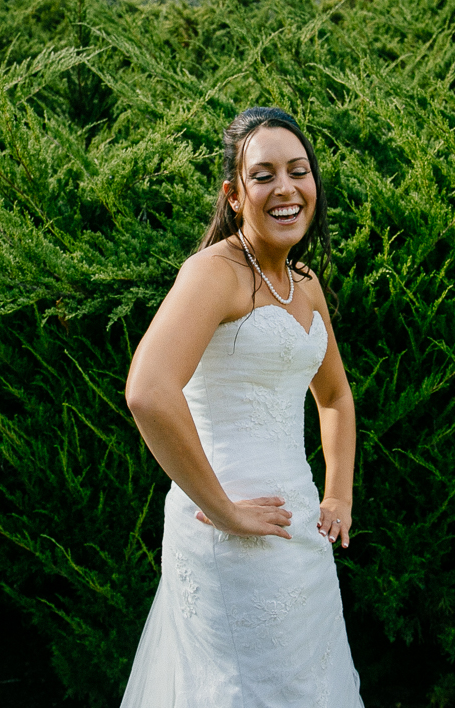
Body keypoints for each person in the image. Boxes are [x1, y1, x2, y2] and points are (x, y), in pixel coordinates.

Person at [121, 107, 365, 706]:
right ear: (234, 195)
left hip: (300, 528)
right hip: (227, 536)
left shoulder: (303, 282)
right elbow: (148, 390)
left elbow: (333, 395)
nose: (285, 189)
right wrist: (225, 510)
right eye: (264, 175)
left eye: (298, 171)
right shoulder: (214, 273)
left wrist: (338, 493)